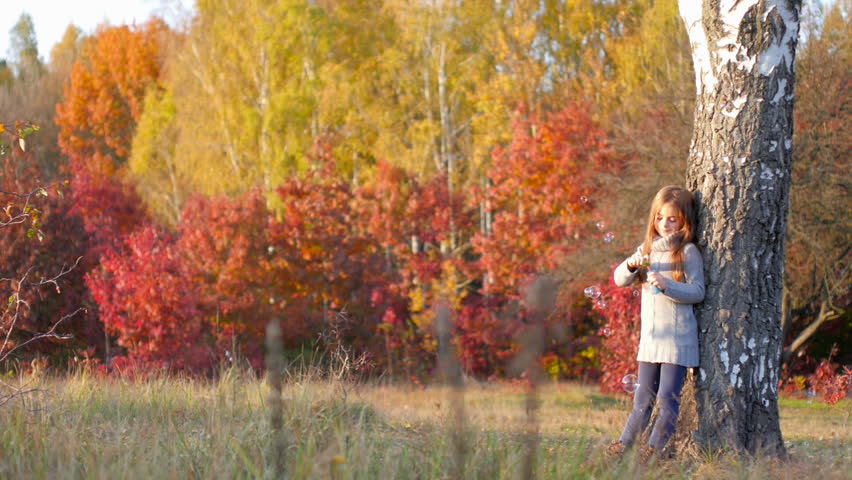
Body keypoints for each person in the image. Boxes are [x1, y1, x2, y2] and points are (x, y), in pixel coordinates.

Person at [606, 185, 705, 462]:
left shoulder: (687, 252)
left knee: (666, 399)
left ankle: (653, 451)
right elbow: (619, 280)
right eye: (659, 218)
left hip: (677, 340)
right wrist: (631, 266)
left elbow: (698, 291)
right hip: (651, 340)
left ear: (685, 219)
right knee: (642, 399)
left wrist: (668, 285)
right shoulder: (646, 250)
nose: (664, 224)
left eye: (672, 219)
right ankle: (623, 447)